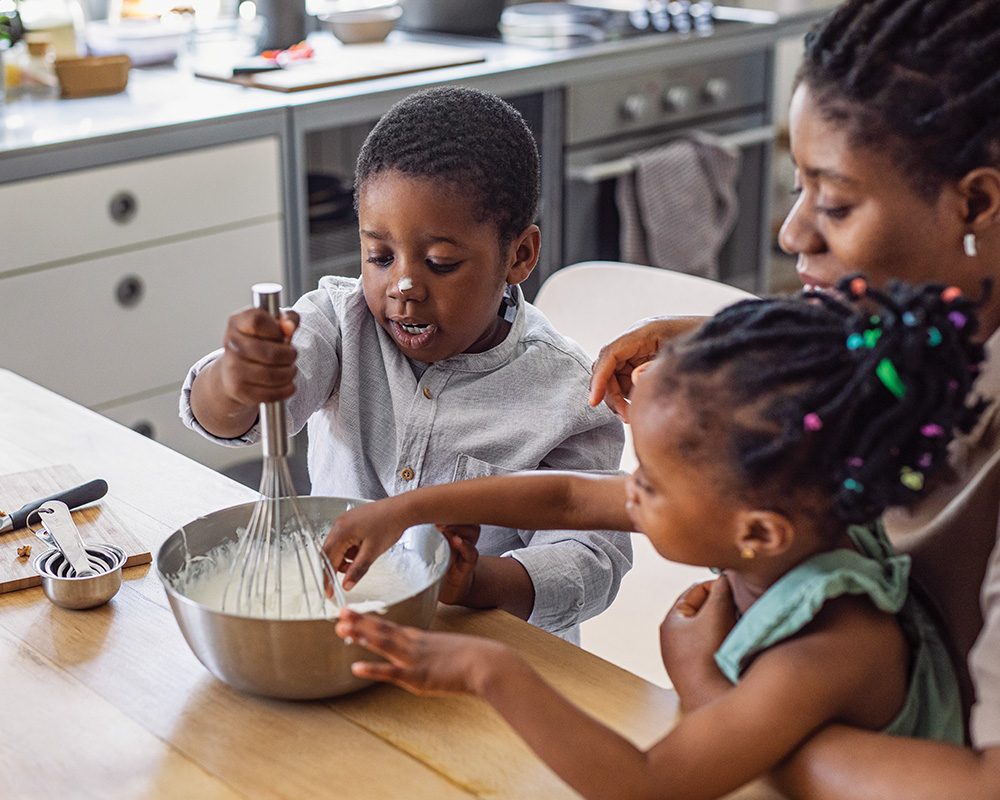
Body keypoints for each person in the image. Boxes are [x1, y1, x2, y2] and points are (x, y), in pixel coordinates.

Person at [329, 278, 983, 800]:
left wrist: (489, 669)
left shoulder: (830, 647)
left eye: (651, 482)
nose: (629, 490)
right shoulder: (794, 518)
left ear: (756, 531)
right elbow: (567, 495)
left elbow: (652, 781)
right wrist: (404, 512)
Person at [587, 0, 1000, 796]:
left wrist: (725, 713)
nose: (792, 234)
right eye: (798, 186)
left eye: (835, 202)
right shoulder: (897, 347)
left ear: (977, 204)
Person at [180, 86, 630, 642]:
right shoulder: (336, 324)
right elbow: (228, 418)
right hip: (340, 632)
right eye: (380, 256)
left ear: (520, 256)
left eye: (440, 263)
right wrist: (235, 377)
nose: (404, 287)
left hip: (487, 659)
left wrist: (479, 582)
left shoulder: (570, 393)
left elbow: (595, 556)